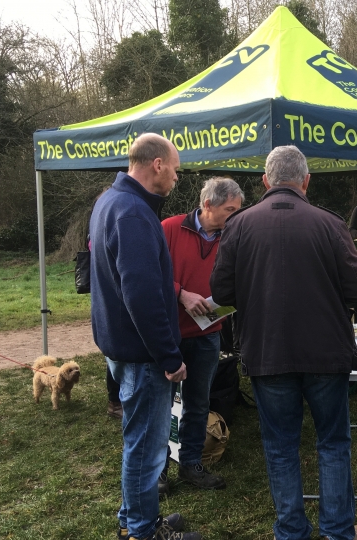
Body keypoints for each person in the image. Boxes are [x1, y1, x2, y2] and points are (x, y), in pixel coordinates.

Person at [210, 145, 357, 540]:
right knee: (332, 442)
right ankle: (337, 530)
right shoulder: (331, 224)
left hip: (267, 352)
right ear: (306, 181)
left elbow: (221, 289)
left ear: (265, 181)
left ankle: (292, 531)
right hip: (326, 353)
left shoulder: (239, 225)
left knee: (280, 446)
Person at [90, 133, 201, 540]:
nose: (176, 176)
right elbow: (141, 295)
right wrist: (170, 358)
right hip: (142, 355)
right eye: (174, 166)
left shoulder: (111, 201)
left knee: (138, 441)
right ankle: (140, 530)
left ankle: (133, 517)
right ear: (157, 164)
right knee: (146, 447)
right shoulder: (133, 213)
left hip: (122, 348)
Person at [159, 177, 244, 494]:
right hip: (169, 334)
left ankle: (191, 464)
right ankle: (159, 469)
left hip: (208, 334)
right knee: (162, 404)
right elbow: (147, 276)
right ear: (207, 204)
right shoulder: (169, 228)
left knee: (198, 402)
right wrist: (181, 295)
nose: (235, 216)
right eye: (230, 209)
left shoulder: (233, 236)